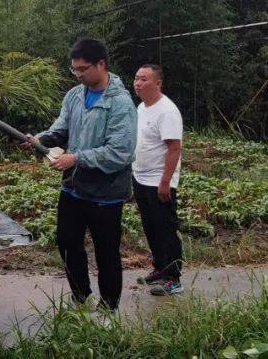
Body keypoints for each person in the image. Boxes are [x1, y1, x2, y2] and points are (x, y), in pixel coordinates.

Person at [22, 38, 137, 312]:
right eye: (74, 69)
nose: (78, 74)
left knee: (107, 253)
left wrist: (76, 158)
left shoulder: (120, 104)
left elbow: (120, 152)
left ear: (101, 64)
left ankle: (109, 309)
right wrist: (40, 139)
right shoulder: (75, 95)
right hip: (73, 188)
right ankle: (80, 297)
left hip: (105, 194)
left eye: (83, 69)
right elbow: (61, 129)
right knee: (67, 242)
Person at [131, 63, 185, 296]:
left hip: (159, 181)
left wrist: (166, 181)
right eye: (136, 78)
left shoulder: (167, 110)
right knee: (150, 227)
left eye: (144, 79)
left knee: (165, 229)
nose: (138, 83)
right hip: (140, 177)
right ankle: (160, 268)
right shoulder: (141, 108)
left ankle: (174, 278)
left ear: (158, 83)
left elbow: (174, 148)